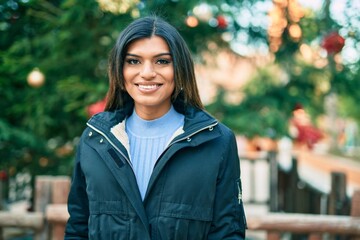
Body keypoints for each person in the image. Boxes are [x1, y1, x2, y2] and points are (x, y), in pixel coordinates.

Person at [64, 15, 247, 240]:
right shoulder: (94, 141)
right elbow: (78, 229)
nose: (147, 72)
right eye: (133, 61)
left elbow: (228, 233)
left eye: (162, 61)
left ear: (179, 69)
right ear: (120, 71)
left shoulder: (217, 142)